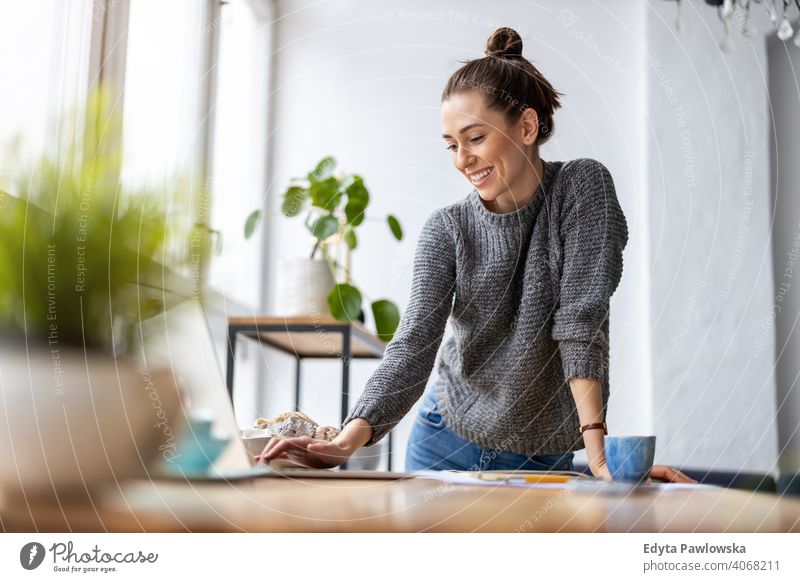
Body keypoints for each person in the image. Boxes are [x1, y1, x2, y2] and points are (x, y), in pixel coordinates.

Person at [260, 27, 694, 483]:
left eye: (475, 138)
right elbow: (414, 344)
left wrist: (603, 460)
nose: (462, 159)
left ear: (527, 127)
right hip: (444, 439)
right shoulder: (446, 231)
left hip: (542, 452)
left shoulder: (582, 190)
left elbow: (581, 321)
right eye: (452, 144)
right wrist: (344, 442)